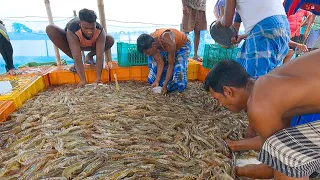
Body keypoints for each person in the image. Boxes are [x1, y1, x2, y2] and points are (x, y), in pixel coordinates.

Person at [204, 51, 320, 179]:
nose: (220, 105)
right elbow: (278, 138)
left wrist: (234, 171)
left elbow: (275, 165)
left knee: (287, 157)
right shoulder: (265, 84)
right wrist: (236, 145)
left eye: (217, 99)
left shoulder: (259, 105)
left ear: (228, 91)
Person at [216, 0, 290, 80]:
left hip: (263, 31)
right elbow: (269, 18)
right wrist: (243, 36)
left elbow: (227, 22)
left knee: (254, 82)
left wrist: (220, 20)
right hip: (284, 28)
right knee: (267, 78)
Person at [46, 8, 114, 88]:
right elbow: (77, 55)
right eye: (86, 28)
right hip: (73, 46)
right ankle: (77, 64)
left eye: (92, 28)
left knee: (110, 39)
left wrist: (98, 77)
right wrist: (83, 80)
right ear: (80, 24)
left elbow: (99, 56)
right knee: (50, 28)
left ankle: (90, 55)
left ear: (95, 24)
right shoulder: (72, 29)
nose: (89, 31)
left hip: (91, 45)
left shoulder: (100, 31)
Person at [137, 28, 191, 94]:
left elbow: (171, 65)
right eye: (145, 53)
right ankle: (163, 83)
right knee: (154, 64)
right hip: (168, 46)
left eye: (148, 52)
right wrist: (156, 81)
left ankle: (179, 88)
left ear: (153, 45)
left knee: (178, 66)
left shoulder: (168, 41)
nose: (147, 55)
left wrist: (165, 86)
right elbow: (160, 63)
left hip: (182, 44)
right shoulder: (151, 43)